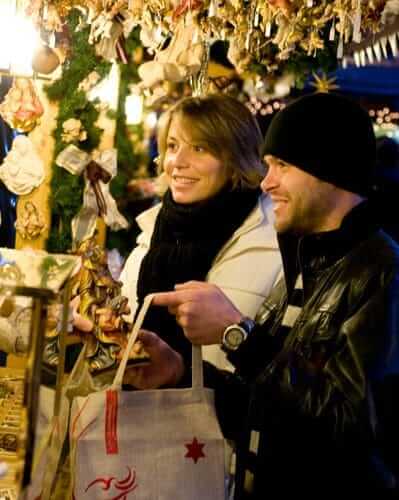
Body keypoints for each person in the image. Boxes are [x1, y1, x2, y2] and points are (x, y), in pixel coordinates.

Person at [125, 92, 399, 493]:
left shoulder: (381, 274)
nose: (267, 182)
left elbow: (356, 429)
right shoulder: (307, 263)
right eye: (269, 165)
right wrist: (179, 373)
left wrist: (239, 334)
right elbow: (266, 408)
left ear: (329, 171)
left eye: (282, 166)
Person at [119, 94, 282, 370]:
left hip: (223, 411)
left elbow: (284, 379)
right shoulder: (152, 233)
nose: (177, 161)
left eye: (199, 148)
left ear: (235, 160)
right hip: (138, 409)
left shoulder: (273, 245)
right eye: (172, 146)